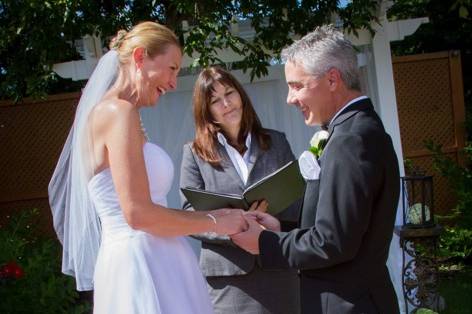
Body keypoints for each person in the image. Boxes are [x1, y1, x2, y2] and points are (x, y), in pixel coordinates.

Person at [48, 22, 249, 314]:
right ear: (141, 58)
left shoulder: (121, 114)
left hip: (158, 257)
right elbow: (138, 214)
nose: (173, 82)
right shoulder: (118, 112)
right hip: (141, 264)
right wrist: (217, 223)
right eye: (171, 68)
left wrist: (219, 213)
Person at [232, 25, 400, 314]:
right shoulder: (358, 130)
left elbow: (334, 242)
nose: (290, 98)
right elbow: (341, 226)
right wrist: (281, 228)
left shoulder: (350, 140)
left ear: (332, 79)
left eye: (297, 85)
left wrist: (266, 244)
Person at [179, 66, 301, 314]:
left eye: (230, 93)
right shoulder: (194, 154)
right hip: (229, 277)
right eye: (215, 100)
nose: (226, 103)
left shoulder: (276, 142)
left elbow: (298, 197)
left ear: (241, 95)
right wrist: (234, 227)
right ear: (207, 111)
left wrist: (272, 218)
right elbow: (189, 214)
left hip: (277, 265)